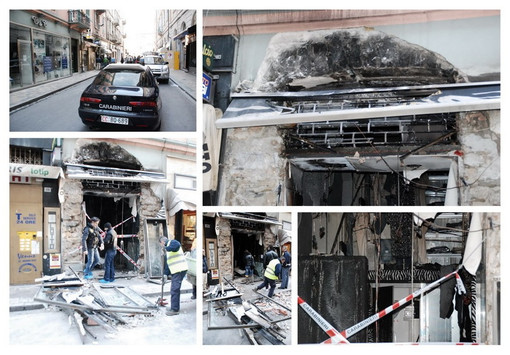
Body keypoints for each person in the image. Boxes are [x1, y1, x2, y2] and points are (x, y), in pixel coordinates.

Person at [160, 236, 188, 316]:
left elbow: (177, 246)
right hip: (176, 270)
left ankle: (175, 309)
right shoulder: (168, 250)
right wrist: (165, 274)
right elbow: (169, 263)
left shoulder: (172, 242)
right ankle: (173, 307)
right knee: (174, 289)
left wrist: (165, 248)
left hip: (179, 270)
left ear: (162, 242)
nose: (162, 246)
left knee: (174, 289)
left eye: (161, 244)